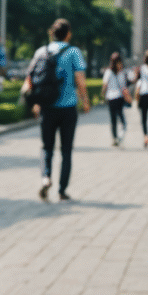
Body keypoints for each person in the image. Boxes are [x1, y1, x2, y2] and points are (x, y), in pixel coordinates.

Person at [24, 18, 89, 201]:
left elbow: (31, 78)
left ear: (52, 33)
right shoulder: (74, 52)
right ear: (68, 34)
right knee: (66, 150)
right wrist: (85, 101)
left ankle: (46, 178)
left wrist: (35, 103)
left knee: (47, 148)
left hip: (47, 107)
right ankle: (61, 190)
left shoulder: (41, 52)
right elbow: (80, 81)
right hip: (68, 108)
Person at [102, 52, 131, 147]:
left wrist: (102, 95)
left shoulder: (108, 72)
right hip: (118, 98)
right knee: (120, 119)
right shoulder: (120, 73)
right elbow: (123, 87)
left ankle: (115, 138)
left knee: (114, 119)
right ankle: (118, 137)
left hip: (112, 98)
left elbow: (105, 85)